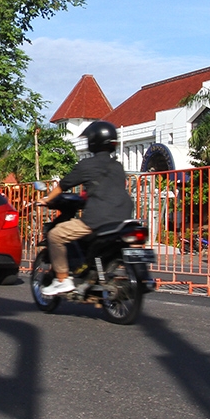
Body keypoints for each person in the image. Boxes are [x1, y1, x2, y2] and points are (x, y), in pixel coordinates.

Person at [39, 120, 134, 297]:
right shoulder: (117, 166)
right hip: (124, 216)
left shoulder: (87, 165)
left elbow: (63, 185)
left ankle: (62, 280)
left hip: (97, 218)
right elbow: (109, 190)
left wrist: (46, 199)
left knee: (55, 235)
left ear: (93, 141)